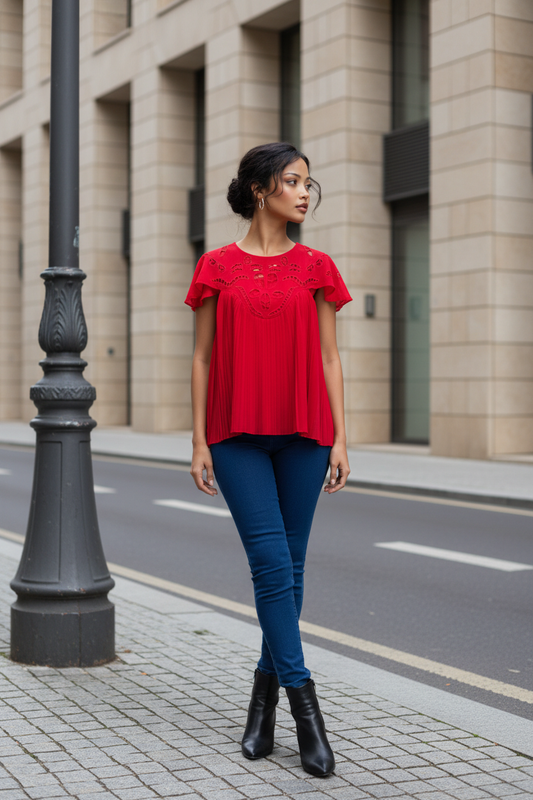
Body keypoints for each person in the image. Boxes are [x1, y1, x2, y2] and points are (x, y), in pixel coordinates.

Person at [185, 142, 352, 777]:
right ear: (261, 190)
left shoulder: (317, 266)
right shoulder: (216, 266)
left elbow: (331, 357)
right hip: (235, 437)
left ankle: (262, 704)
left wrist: (340, 437)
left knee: (290, 570)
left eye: (309, 183)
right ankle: (309, 712)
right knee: (271, 565)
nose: (305, 193)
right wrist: (199, 440)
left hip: (307, 434)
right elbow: (201, 357)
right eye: (293, 181)